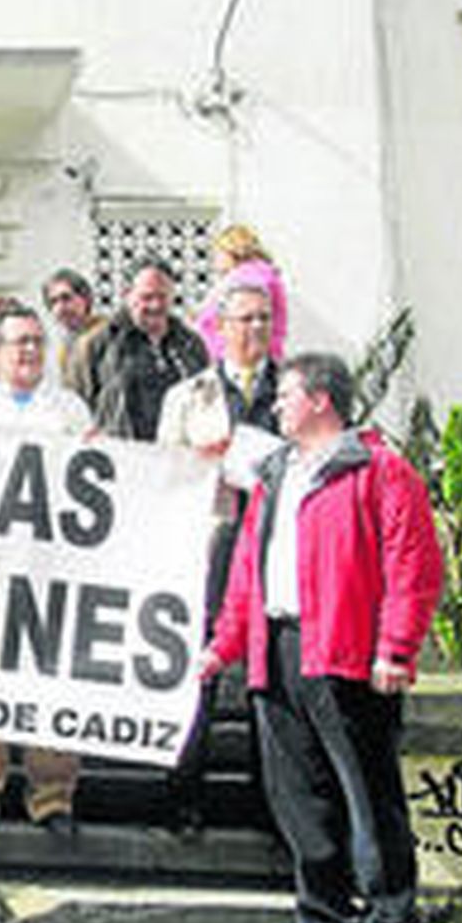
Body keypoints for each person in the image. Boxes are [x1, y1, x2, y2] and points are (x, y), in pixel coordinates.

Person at [199, 353, 442, 923]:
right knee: (300, 798)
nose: (276, 405)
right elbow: (248, 567)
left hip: (346, 651)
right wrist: (225, 645)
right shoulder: (278, 474)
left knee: (370, 798)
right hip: (278, 650)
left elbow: (412, 563)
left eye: (286, 395)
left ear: (321, 401)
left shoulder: (380, 471)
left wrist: (396, 647)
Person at [0, 303, 93, 836]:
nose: (28, 351)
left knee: (49, 681)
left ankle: (52, 798)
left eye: (36, 342)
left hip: (52, 569)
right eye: (18, 342)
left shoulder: (70, 410)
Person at [157, 281, 282, 829]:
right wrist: (202, 465)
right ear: (221, 327)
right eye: (244, 319)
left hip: (279, 546)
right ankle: (184, 796)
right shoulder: (188, 396)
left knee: (272, 673)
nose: (254, 329)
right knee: (199, 671)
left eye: (263, 319)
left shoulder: (295, 389)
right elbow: (163, 475)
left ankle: (270, 804)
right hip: (213, 540)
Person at [69, 256, 208, 441]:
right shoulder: (97, 345)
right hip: (125, 461)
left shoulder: (191, 344)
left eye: (162, 296)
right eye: (147, 297)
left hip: (179, 459)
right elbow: (76, 411)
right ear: (127, 294)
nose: (156, 305)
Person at [194, 224, 289, 363]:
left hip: (239, 360)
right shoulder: (261, 274)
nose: (215, 260)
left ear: (232, 250)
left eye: (218, 253)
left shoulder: (246, 277)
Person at [40, 268, 106, 385]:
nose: (60, 308)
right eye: (53, 302)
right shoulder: (64, 345)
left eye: (66, 298)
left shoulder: (107, 334)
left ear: (85, 298)